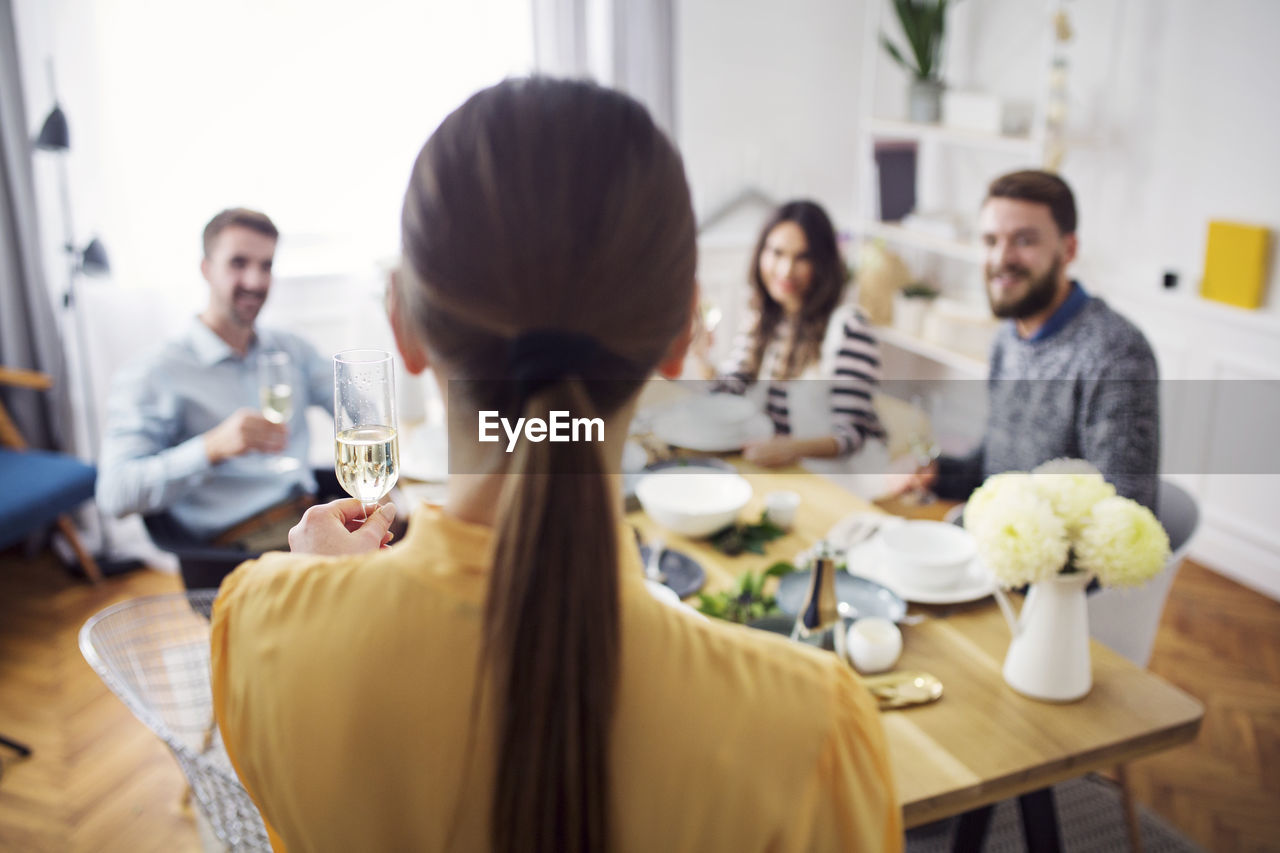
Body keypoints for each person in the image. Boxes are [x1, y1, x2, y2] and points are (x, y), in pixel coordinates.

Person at [210, 79, 901, 853]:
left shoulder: (259, 625)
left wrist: (316, 590)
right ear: (680, 337)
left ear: (402, 325)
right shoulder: (810, 730)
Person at [906, 170, 1160, 509]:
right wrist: (937, 474)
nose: (1001, 259)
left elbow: (1123, 513)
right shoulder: (1006, 340)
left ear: (1068, 250)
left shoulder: (1116, 354)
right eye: (990, 241)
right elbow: (995, 470)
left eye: (1024, 240)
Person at [96, 208, 336, 554]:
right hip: (240, 548)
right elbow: (114, 493)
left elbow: (351, 401)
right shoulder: (154, 372)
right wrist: (211, 447)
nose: (255, 281)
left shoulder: (292, 350)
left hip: (309, 518)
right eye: (238, 263)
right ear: (206, 269)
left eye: (266, 265)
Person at [715, 200, 886, 469]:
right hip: (782, 471)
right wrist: (700, 354)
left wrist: (789, 448)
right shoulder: (762, 319)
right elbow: (730, 390)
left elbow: (851, 435)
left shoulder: (849, 328)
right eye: (777, 253)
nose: (785, 270)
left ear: (823, 263)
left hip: (837, 480)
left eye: (802, 257)